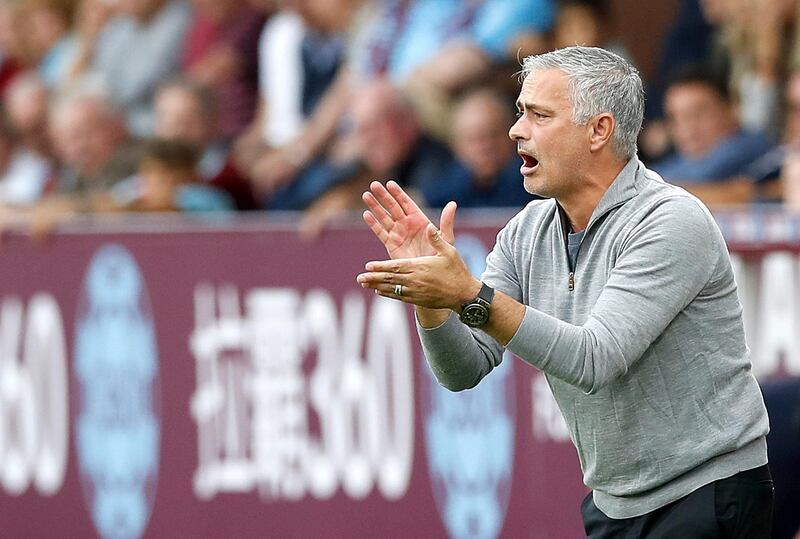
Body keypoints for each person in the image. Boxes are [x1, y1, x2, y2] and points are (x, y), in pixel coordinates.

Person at [356, 46, 773, 537]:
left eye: (539, 115)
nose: (516, 130)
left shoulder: (670, 220)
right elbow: (463, 370)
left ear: (599, 130)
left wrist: (470, 295)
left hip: (708, 494)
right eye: (520, 113)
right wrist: (434, 301)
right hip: (614, 503)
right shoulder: (525, 231)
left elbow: (595, 358)